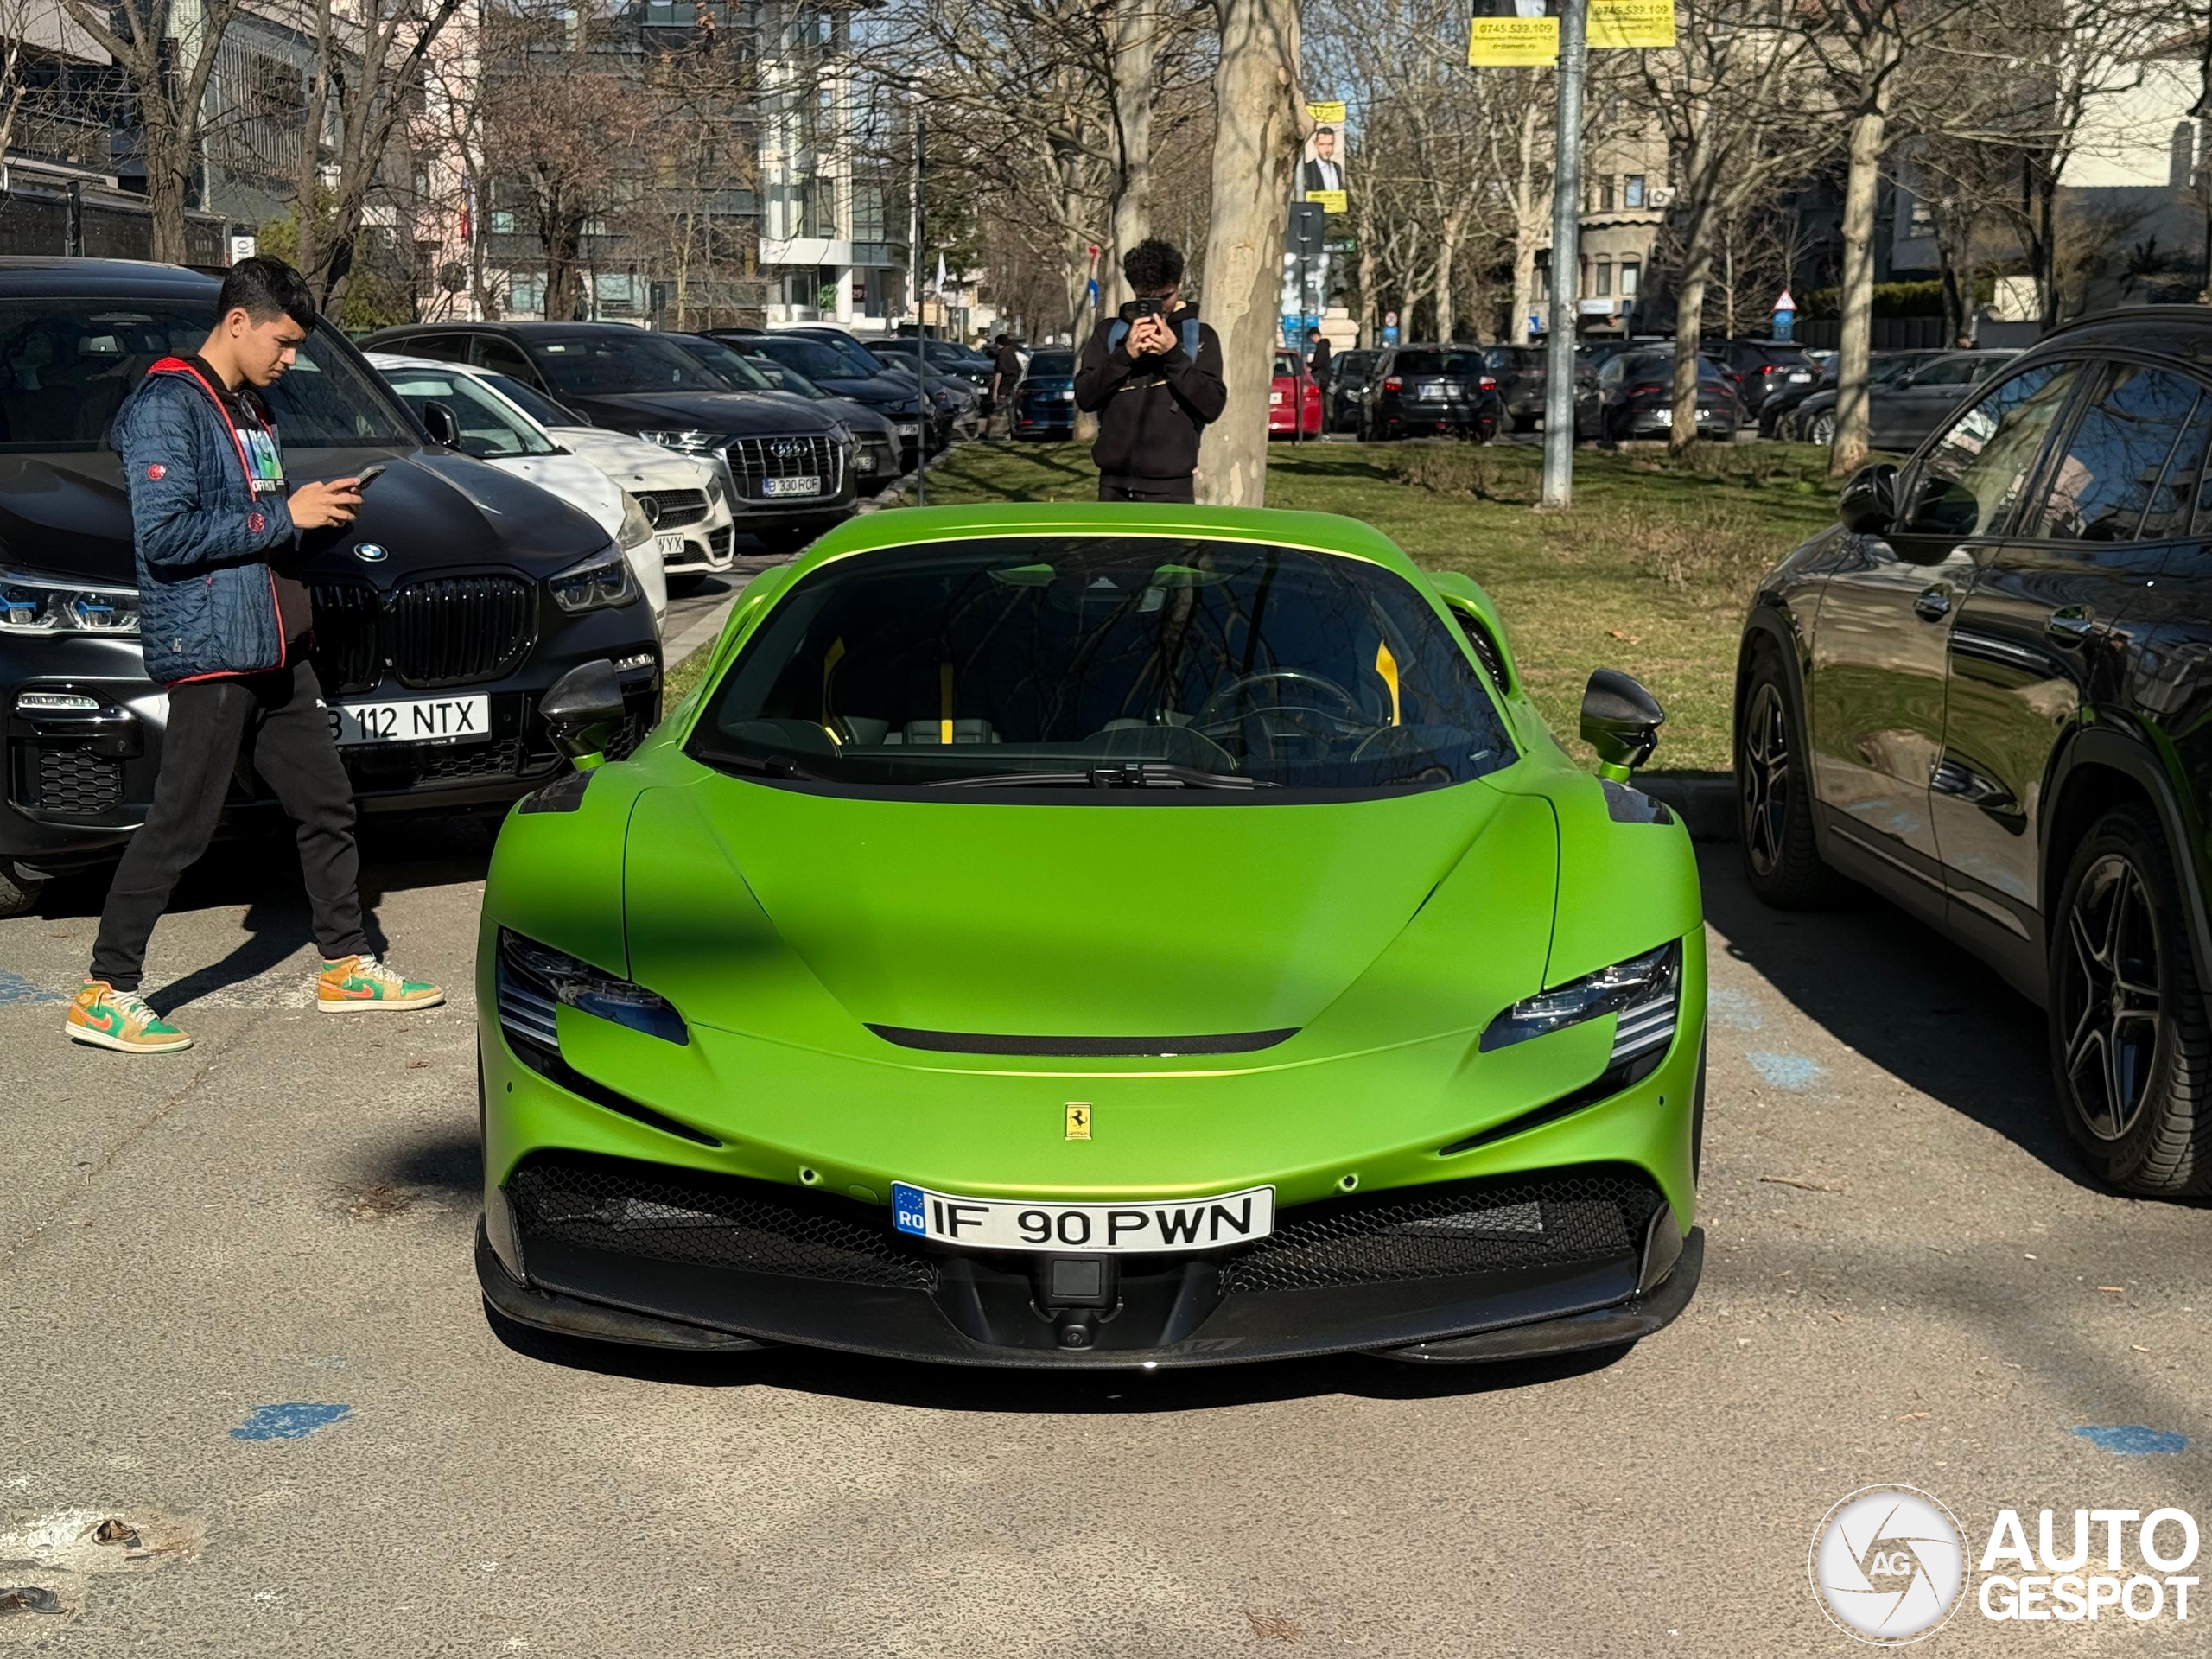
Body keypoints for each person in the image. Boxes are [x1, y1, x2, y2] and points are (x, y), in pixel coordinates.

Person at [66, 256, 443, 1056]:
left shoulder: (250, 407)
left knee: (327, 803)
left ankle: (346, 963)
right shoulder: (169, 406)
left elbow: (254, 513)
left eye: (299, 345)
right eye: (283, 341)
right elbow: (164, 538)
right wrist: (284, 514)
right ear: (237, 321)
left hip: (275, 641)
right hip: (211, 649)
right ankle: (106, 990)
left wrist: (313, 514)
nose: (291, 358)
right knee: (182, 824)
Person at [1072, 238, 1226, 503]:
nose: (1159, 306)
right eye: (1147, 299)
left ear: (1178, 285)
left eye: (1165, 296)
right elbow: (1086, 397)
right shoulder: (1109, 334)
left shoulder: (1200, 337)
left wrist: (1173, 355)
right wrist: (1125, 356)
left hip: (1172, 489)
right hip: (1113, 486)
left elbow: (1212, 406)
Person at [988, 334, 1023, 439]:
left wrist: (995, 390)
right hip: (1016, 382)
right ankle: (1013, 429)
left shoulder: (1002, 354)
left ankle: (996, 431)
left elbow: (999, 373)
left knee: (999, 406)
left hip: (1005, 384)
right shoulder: (1014, 352)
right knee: (1011, 407)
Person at [1302, 128, 1344, 197]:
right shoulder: (1307, 169)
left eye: (1330, 144)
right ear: (1316, 145)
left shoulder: (1337, 168)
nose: (1326, 149)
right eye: (1322, 144)